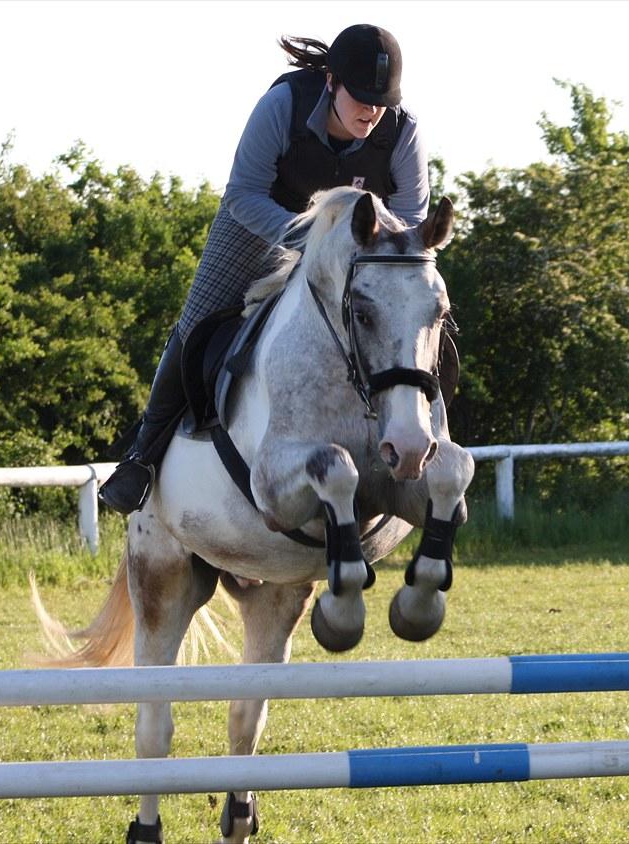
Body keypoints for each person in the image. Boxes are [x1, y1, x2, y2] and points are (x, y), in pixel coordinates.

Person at [99, 23, 430, 514]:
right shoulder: (284, 104)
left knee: (416, 317)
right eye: (361, 98)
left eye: (381, 102)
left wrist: (365, 258)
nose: (371, 111)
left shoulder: (403, 131)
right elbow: (243, 193)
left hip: (358, 248)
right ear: (332, 82)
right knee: (197, 320)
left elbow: (411, 224)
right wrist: (308, 241)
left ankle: (428, 432)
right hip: (261, 224)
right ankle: (142, 456)